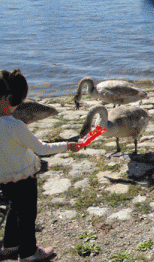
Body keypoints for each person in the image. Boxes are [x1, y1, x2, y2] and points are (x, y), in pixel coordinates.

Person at [0, 69, 81, 262]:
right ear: (9, 99)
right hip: (24, 177)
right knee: (27, 215)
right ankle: (29, 253)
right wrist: (66, 145)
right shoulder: (15, 126)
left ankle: (10, 245)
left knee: (14, 209)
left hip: (4, 178)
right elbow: (41, 148)